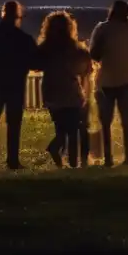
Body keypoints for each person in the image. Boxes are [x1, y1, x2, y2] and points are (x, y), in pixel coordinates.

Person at [89, 0, 128, 166]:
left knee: (105, 122)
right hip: (126, 82)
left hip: (104, 82)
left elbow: (93, 54)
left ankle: (108, 158)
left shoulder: (102, 29)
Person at [0, 0, 38, 169]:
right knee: (14, 123)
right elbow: (36, 62)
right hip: (15, 86)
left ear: (2, 14)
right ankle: (12, 160)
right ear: (18, 16)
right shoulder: (24, 39)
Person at [37, 11, 92, 168]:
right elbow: (84, 67)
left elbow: (35, 62)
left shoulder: (46, 48)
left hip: (51, 91)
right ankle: (72, 162)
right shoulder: (74, 48)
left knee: (61, 127)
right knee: (73, 129)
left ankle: (58, 153)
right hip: (70, 92)